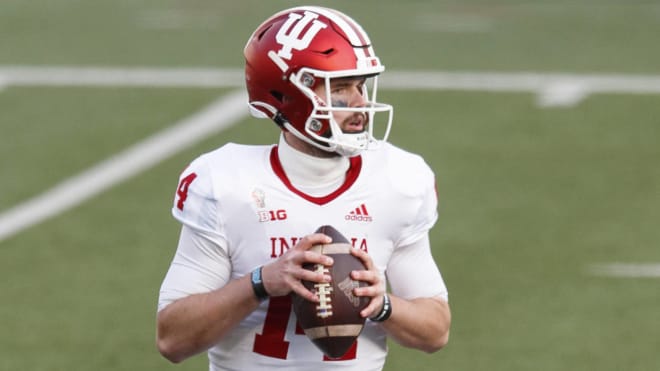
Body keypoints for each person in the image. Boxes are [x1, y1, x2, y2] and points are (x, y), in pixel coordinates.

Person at [156, 6, 450, 371]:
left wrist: (382, 303)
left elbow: (435, 331)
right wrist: (262, 282)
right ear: (287, 94)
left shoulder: (399, 179)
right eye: (341, 88)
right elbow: (172, 339)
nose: (360, 102)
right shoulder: (225, 182)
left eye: (360, 85)